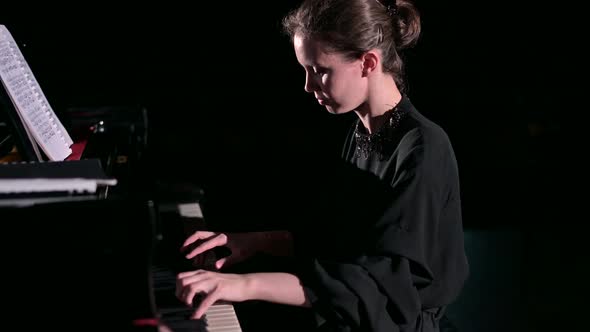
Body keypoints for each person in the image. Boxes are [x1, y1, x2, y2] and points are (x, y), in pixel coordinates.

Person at [175, 0, 469, 331]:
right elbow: (336, 242)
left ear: (368, 62)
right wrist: (253, 243)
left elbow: (378, 282)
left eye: (320, 70)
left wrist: (245, 285)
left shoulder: (424, 148)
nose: (308, 85)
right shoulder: (361, 134)